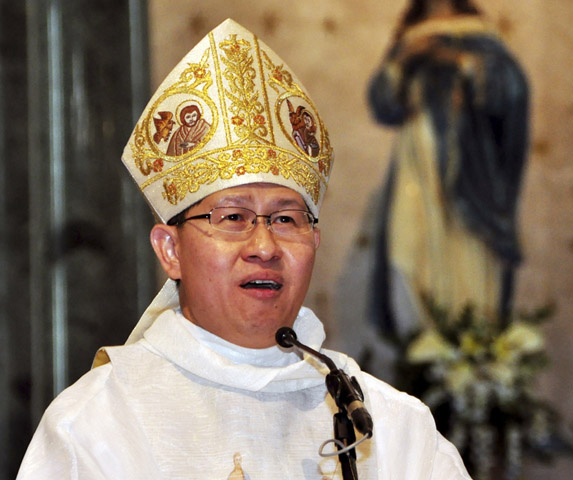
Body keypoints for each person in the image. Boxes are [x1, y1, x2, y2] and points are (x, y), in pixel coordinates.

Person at [17, 19, 471, 479]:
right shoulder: (96, 423)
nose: (263, 246)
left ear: (315, 240)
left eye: (286, 219)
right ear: (169, 250)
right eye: (232, 218)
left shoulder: (392, 426)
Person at [368, 0, 529, 336]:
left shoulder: (478, 34)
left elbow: (510, 92)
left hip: (468, 174)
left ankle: (464, 353)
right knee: (406, 254)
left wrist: (462, 64)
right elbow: (384, 105)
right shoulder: (412, 36)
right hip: (416, 168)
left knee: (466, 259)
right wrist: (403, 59)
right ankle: (418, 347)